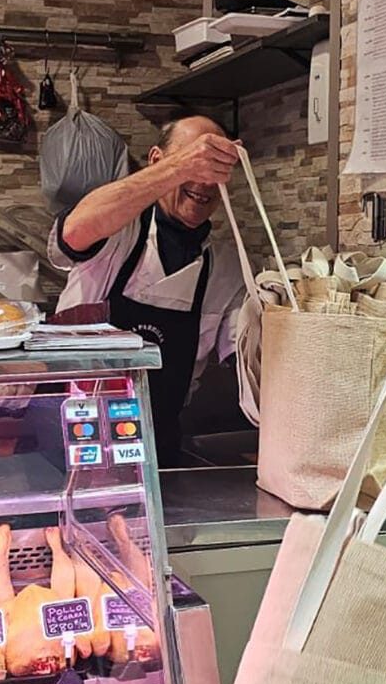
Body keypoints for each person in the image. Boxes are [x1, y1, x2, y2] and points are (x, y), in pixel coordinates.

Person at [49, 113, 245, 463]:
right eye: (193, 165)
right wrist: (180, 167)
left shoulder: (226, 265)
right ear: (157, 160)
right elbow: (74, 232)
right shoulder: (117, 229)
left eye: (213, 170)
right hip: (71, 434)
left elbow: (246, 358)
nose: (203, 182)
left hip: (157, 446)